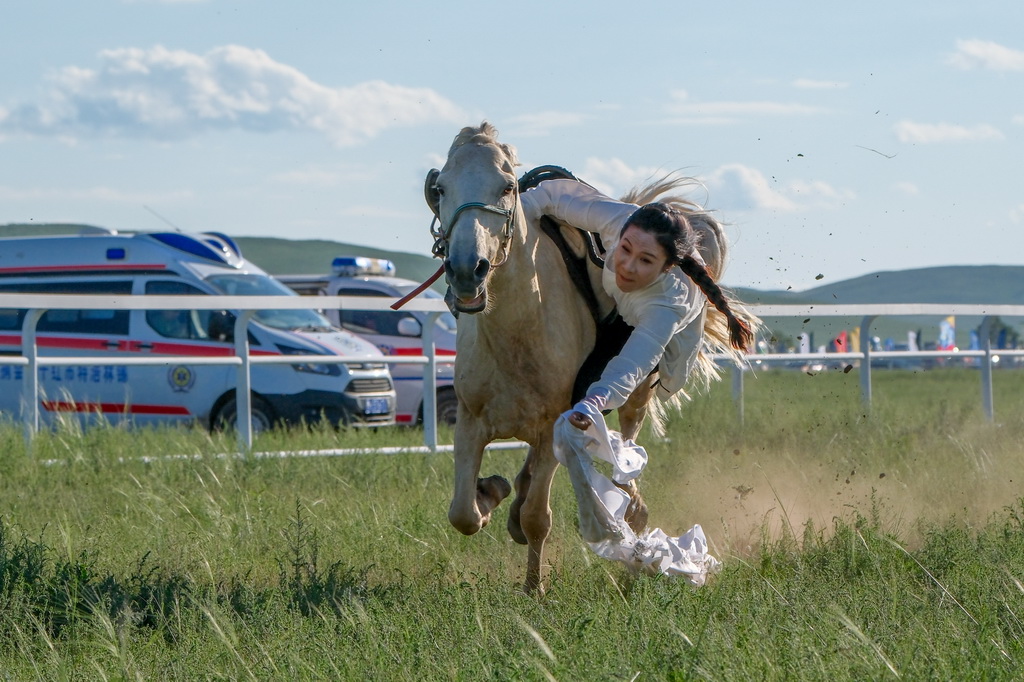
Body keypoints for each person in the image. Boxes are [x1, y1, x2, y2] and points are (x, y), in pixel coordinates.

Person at [519, 179, 753, 430]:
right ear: (621, 233)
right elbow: (553, 197)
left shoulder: (667, 306)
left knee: (580, 395)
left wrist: (593, 403)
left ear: (666, 267)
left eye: (645, 260)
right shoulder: (618, 219)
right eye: (626, 249)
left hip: (643, 322)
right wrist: (517, 216)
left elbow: (630, 366)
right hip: (616, 299)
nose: (628, 266)